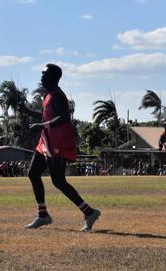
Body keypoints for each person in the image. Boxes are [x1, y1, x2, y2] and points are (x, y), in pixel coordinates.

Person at [18, 64, 101, 231]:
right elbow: (46, 115)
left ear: (54, 77)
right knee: (33, 173)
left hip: (58, 143)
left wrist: (42, 125)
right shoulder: (48, 95)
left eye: (44, 74)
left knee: (58, 181)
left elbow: (64, 118)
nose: (41, 76)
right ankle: (43, 215)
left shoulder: (58, 96)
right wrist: (27, 111)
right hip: (46, 142)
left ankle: (89, 212)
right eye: (41, 73)